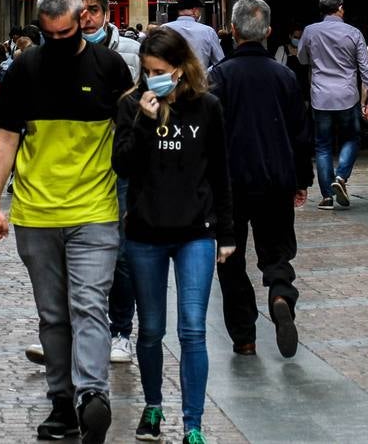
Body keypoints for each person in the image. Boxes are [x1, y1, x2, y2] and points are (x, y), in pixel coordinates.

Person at [0, 0, 134, 444]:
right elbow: (6, 139)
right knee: (53, 315)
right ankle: (61, 403)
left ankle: (92, 396)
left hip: (95, 210)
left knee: (89, 305)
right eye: (51, 36)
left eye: (69, 33)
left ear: (82, 21)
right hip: (35, 213)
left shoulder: (109, 66)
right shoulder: (23, 71)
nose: (61, 44)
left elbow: (128, 134)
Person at [114, 28, 234, 444]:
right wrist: (146, 123)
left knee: (193, 329)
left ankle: (193, 424)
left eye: (160, 71)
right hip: (145, 232)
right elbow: (123, 166)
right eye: (147, 71)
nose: (153, 78)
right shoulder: (131, 105)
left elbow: (221, 172)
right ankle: (152, 406)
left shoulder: (208, 107)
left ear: (181, 70)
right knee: (149, 330)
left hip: (195, 233)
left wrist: (227, 233)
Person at [208, 0, 312, 358]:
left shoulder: (219, 77)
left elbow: (208, 133)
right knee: (276, 249)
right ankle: (281, 292)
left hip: (230, 185)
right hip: (275, 179)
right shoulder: (285, 76)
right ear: (268, 32)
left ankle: (244, 336)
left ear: (232, 31)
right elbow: (301, 133)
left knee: (230, 258)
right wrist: (302, 179)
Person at [76, 0, 141, 364]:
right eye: (79, 13)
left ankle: (120, 330)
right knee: (78, 249)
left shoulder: (131, 52)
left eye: (93, 11)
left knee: (120, 253)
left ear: (105, 12)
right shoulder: (61, 52)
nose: (86, 20)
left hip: (120, 166)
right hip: (79, 165)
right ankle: (82, 328)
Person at [301, 0, 368, 210]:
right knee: (352, 138)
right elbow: (366, 68)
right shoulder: (353, 33)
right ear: (340, 8)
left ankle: (326, 197)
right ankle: (341, 176)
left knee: (323, 145)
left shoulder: (310, 31)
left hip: (320, 96)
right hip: (347, 95)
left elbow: (303, 59)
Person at [165, 0, 224, 70]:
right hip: (199, 79)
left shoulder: (164, 29)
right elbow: (220, 62)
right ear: (195, 10)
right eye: (199, 11)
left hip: (171, 80)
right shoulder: (208, 31)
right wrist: (206, 73)